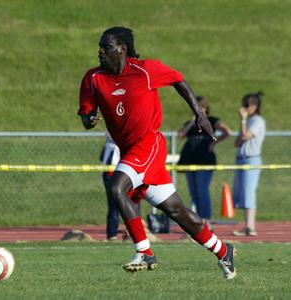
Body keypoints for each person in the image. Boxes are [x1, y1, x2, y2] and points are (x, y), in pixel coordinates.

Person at [78, 26, 236, 279]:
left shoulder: (145, 70)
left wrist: (198, 113)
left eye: (105, 47)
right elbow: (86, 116)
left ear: (122, 49)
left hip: (149, 144)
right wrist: (90, 119)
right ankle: (223, 250)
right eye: (99, 46)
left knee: (117, 186)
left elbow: (178, 80)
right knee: (178, 212)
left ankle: (144, 251)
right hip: (129, 151)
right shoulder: (93, 78)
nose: (100, 52)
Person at [178, 96, 231, 230]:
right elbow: (181, 135)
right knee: (194, 193)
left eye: (200, 107)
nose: (197, 109)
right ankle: (195, 221)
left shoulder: (212, 121)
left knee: (202, 191)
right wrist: (191, 122)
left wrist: (215, 142)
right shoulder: (190, 123)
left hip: (205, 159)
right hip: (190, 160)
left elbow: (227, 131)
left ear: (205, 108)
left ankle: (206, 221)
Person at [232, 92, 266, 236]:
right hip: (241, 158)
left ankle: (250, 227)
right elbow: (238, 142)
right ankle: (247, 226)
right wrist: (243, 123)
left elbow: (246, 136)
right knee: (240, 193)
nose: (245, 108)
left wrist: (243, 120)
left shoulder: (257, 121)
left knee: (248, 192)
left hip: (252, 159)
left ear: (255, 106)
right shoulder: (248, 121)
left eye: (247, 105)